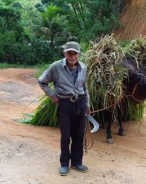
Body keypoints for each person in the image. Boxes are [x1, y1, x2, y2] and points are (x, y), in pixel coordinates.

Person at [38, 41, 90, 176]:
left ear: (79, 54)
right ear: (64, 53)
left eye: (75, 53)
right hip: (65, 105)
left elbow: (85, 88)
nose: (72, 56)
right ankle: (64, 164)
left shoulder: (83, 67)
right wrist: (52, 96)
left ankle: (77, 162)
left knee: (79, 135)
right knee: (66, 136)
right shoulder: (56, 67)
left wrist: (87, 105)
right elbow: (42, 81)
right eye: (69, 53)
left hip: (80, 103)